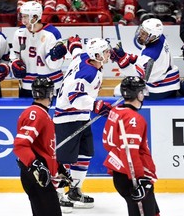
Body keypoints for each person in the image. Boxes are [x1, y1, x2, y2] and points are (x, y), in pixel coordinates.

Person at [53, 36, 112, 210]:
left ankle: (73, 191)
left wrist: (73, 42)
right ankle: (56, 194)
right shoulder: (88, 73)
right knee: (64, 159)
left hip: (81, 117)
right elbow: (75, 98)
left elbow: (75, 47)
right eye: (105, 52)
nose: (109, 54)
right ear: (97, 55)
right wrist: (95, 105)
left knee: (84, 154)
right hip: (67, 118)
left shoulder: (83, 56)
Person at [13, 76, 73, 216]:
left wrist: (57, 167)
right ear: (51, 93)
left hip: (37, 175)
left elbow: (43, 148)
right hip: (36, 177)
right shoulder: (36, 114)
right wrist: (36, 166)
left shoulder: (41, 114)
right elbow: (20, 146)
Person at [103, 76, 160, 216]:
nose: (143, 95)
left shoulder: (116, 111)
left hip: (121, 173)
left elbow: (108, 143)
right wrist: (139, 179)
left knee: (153, 212)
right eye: (142, 91)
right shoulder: (133, 119)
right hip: (132, 176)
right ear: (138, 94)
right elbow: (130, 153)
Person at [113, 18, 180, 100]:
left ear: (153, 37)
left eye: (144, 34)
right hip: (169, 79)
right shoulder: (160, 37)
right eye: (141, 30)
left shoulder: (150, 55)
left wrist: (121, 61)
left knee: (118, 90)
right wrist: (129, 57)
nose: (140, 34)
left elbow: (137, 76)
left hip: (160, 88)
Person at [10, 1, 67, 98]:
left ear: (35, 17)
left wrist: (55, 57)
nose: (23, 20)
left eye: (25, 17)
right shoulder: (19, 33)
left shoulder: (52, 33)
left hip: (50, 85)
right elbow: (14, 54)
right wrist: (14, 62)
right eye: (22, 16)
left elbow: (54, 65)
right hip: (27, 85)